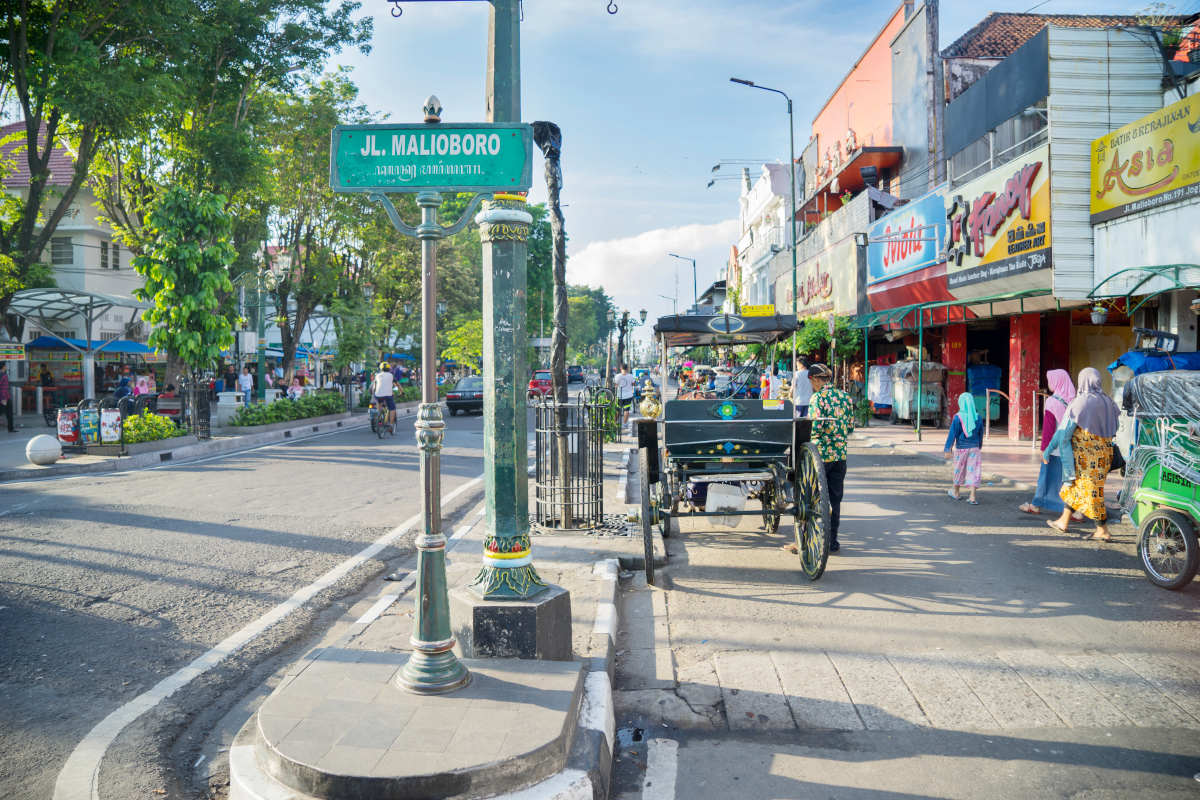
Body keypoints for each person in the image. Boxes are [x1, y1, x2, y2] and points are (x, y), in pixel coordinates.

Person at [1043, 367, 1120, 542]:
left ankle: (1103, 530)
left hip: (1087, 459)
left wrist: (1048, 450)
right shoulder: (1110, 402)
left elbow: (1064, 432)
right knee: (1076, 487)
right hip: (1105, 457)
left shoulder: (1081, 402)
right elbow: (1115, 428)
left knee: (1093, 493)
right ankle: (1063, 521)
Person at [786, 363, 854, 554]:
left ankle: (805, 542)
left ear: (815, 379)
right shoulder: (845, 397)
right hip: (840, 455)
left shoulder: (818, 398)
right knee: (835, 498)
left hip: (821, 456)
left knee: (810, 500)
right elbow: (850, 427)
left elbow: (815, 429)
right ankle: (832, 542)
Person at [1020, 369, 1081, 517]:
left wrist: (1044, 449)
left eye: (1050, 380)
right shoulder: (1075, 400)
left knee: (1046, 476)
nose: (1048, 384)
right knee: (1070, 479)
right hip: (1073, 446)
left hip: (1055, 447)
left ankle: (1035, 505)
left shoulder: (1052, 401)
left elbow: (1048, 429)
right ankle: (1076, 511)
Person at [943, 392, 984, 504]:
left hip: (961, 449)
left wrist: (948, 449)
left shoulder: (958, 418)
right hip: (974, 448)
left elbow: (952, 435)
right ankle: (972, 496)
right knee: (974, 471)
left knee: (959, 470)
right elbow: (980, 435)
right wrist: (979, 446)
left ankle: (956, 492)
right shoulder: (978, 418)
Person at [372, 361, 396, 426]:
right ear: (389, 369)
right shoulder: (391, 375)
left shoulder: (377, 375)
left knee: (379, 402)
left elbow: (374, 387)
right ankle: (390, 424)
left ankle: (379, 417)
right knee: (392, 408)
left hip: (378, 395)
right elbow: (398, 385)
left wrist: (374, 393)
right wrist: (402, 392)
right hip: (388, 395)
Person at [0, 366, 14, 434]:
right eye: (5, 366)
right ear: (3, 367)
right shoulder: (4, 376)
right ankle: (10, 429)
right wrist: (4, 398)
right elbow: (5, 388)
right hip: (5, 398)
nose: (6, 367)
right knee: (9, 414)